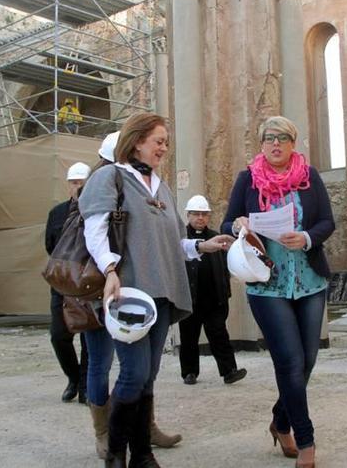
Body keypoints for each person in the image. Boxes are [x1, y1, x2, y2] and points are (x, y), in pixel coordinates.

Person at [80, 119, 230, 467]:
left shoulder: (159, 186)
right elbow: (95, 229)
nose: (164, 148)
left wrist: (202, 246)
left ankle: (142, 454)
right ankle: (116, 453)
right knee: (133, 372)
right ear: (136, 143)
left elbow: (172, 241)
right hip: (128, 291)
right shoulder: (110, 177)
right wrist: (109, 270)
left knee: (148, 375)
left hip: (161, 293)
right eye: (157, 141)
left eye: (166, 142)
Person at [221, 116, 334, 468]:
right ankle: (306, 440)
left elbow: (327, 221)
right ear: (261, 144)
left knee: (308, 360)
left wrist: (307, 237)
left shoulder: (309, 177)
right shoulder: (247, 179)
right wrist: (239, 223)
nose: (275, 144)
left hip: (310, 282)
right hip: (267, 286)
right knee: (289, 361)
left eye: (283, 138)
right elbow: (227, 222)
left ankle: (280, 420)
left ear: (292, 143)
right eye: (269, 138)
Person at [179, 194, 247, 386]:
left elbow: (226, 265)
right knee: (189, 337)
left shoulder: (216, 237)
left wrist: (225, 292)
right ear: (188, 215)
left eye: (204, 214)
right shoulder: (182, 238)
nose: (200, 218)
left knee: (219, 334)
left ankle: (229, 371)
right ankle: (189, 372)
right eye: (196, 214)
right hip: (190, 298)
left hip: (214, 298)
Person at [45, 162, 92, 403]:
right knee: (59, 335)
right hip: (62, 284)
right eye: (74, 182)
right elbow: (50, 246)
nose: (77, 187)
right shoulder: (57, 213)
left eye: (81, 182)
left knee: (88, 338)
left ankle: (85, 386)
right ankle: (73, 378)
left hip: (87, 283)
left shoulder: (94, 212)